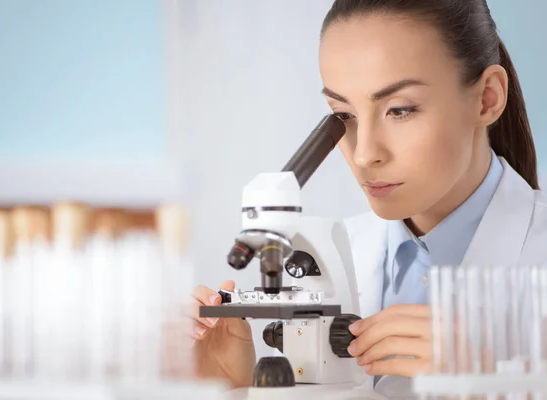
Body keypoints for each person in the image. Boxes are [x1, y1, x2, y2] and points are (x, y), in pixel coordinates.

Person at [189, 0, 547, 398]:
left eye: (400, 110)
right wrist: (231, 388)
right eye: (344, 116)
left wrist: (498, 384)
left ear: (487, 99)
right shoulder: (337, 260)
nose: (363, 154)